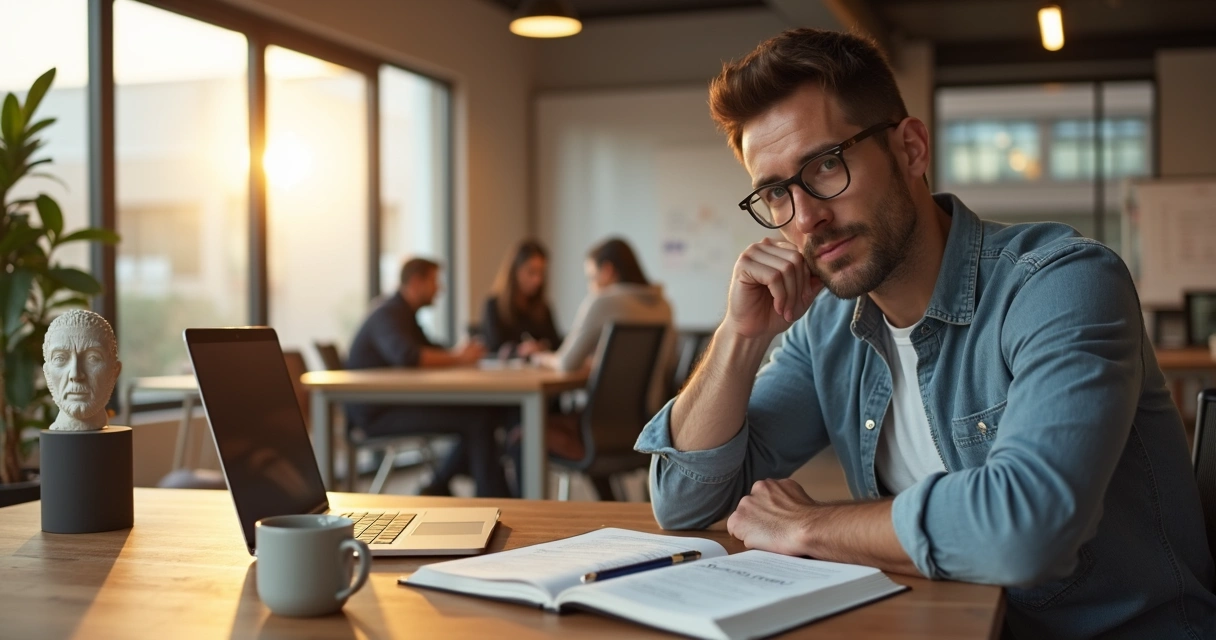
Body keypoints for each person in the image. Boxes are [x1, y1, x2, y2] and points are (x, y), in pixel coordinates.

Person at [634, 28, 1215, 638]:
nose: (805, 219)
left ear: (910, 149)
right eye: (776, 192)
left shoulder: (1061, 284)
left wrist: (809, 525)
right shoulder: (830, 326)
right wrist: (741, 334)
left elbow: (1027, 531)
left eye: (826, 165)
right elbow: (684, 501)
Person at [346, 258, 509, 497]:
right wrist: (459, 358)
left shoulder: (405, 314)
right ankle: (491, 497)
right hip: (376, 413)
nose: (440, 288)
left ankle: (442, 485)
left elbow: (431, 349)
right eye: (435, 281)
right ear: (416, 282)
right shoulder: (388, 313)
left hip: (396, 403)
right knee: (478, 419)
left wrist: (460, 354)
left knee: (483, 414)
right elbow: (409, 356)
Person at [534, 237, 676, 415]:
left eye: (592, 277)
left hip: (604, 416)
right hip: (652, 414)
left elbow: (566, 363)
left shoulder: (603, 301)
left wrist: (542, 357)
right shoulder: (664, 306)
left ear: (608, 270)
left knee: (534, 426)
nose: (590, 287)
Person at [482, 239, 561, 358]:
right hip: (505, 375)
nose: (537, 280)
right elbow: (492, 349)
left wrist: (543, 346)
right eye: (531, 272)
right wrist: (519, 351)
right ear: (515, 271)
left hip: (539, 373)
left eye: (541, 273)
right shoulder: (494, 306)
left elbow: (556, 343)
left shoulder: (543, 308)